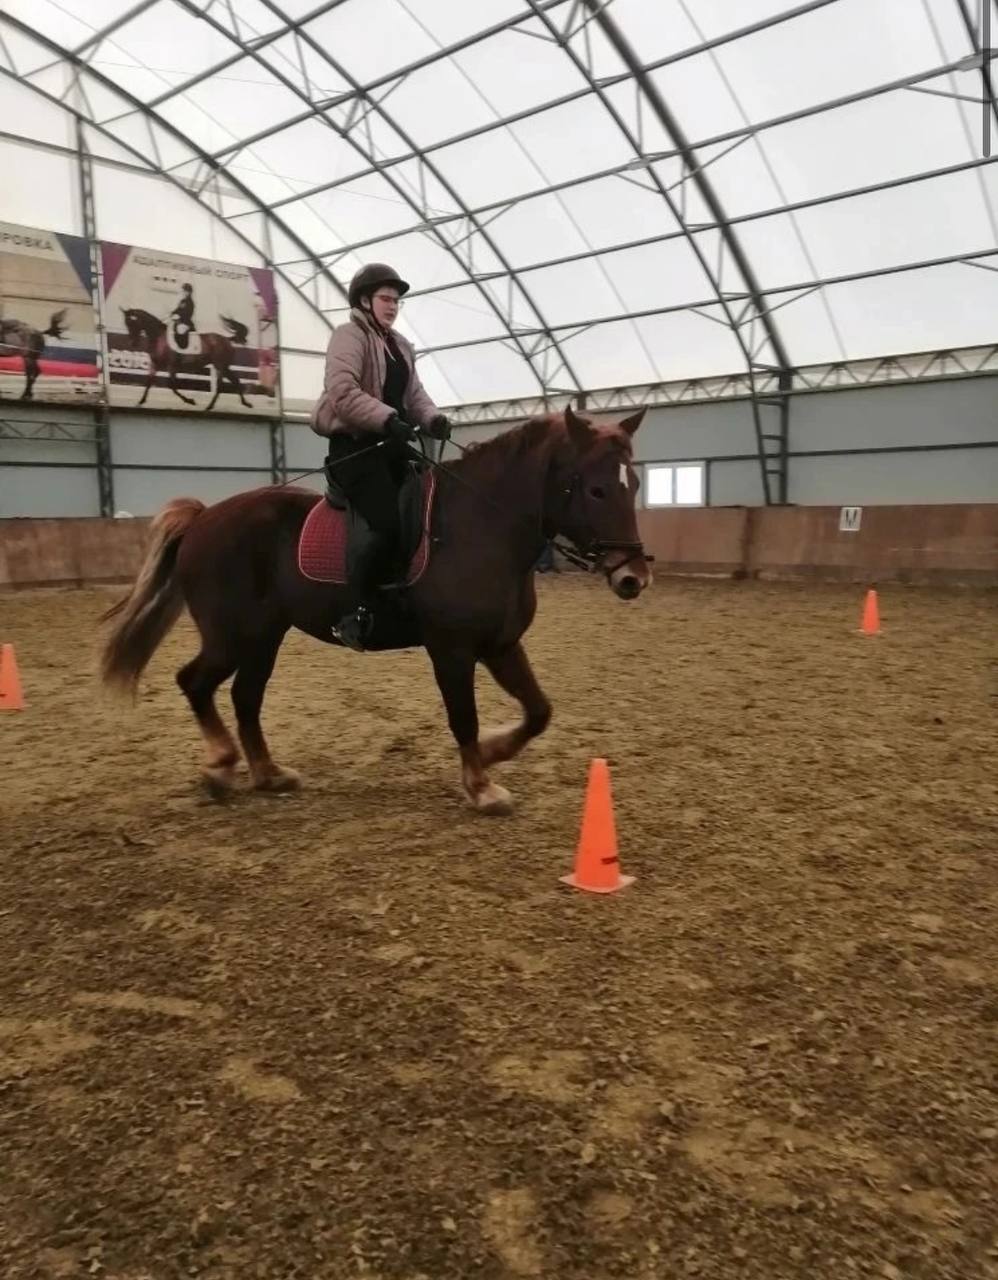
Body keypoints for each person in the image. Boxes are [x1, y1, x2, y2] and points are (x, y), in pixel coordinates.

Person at [310, 263, 451, 650]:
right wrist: (388, 419)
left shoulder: (401, 345)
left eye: (396, 301)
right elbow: (342, 391)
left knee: (429, 510)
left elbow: (415, 395)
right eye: (386, 298)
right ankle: (355, 612)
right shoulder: (348, 336)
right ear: (364, 301)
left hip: (393, 448)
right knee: (387, 520)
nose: (392, 306)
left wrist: (433, 419)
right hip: (355, 451)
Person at [170, 284, 195, 350]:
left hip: (185, 322)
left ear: (189, 292)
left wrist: (178, 316)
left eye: (185, 291)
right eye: (183, 291)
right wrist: (172, 313)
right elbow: (178, 309)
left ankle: (182, 347)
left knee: (180, 330)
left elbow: (188, 313)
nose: (183, 292)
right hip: (179, 321)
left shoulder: (190, 302)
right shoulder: (182, 301)